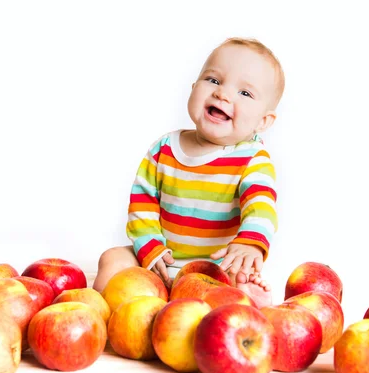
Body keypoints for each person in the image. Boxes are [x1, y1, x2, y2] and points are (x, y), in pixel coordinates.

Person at [93, 37, 285, 308]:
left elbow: (261, 206)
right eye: (214, 80)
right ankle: (116, 316)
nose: (223, 94)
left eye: (245, 93)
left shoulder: (252, 159)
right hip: (161, 261)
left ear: (264, 121)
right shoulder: (164, 149)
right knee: (112, 259)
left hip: (215, 269)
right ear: (194, 88)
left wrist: (251, 243)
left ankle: (246, 300)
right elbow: (142, 202)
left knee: (237, 284)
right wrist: (150, 248)